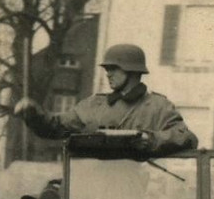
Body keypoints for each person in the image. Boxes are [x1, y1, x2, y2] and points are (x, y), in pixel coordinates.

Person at [13, 44, 198, 155]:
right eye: (107, 68)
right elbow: (57, 125)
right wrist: (34, 114)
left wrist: (151, 139)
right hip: (90, 187)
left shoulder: (157, 107)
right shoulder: (94, 105)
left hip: (131, 192)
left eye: (114, 68)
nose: (108, 74)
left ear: (132, 70)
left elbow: (186, 137)